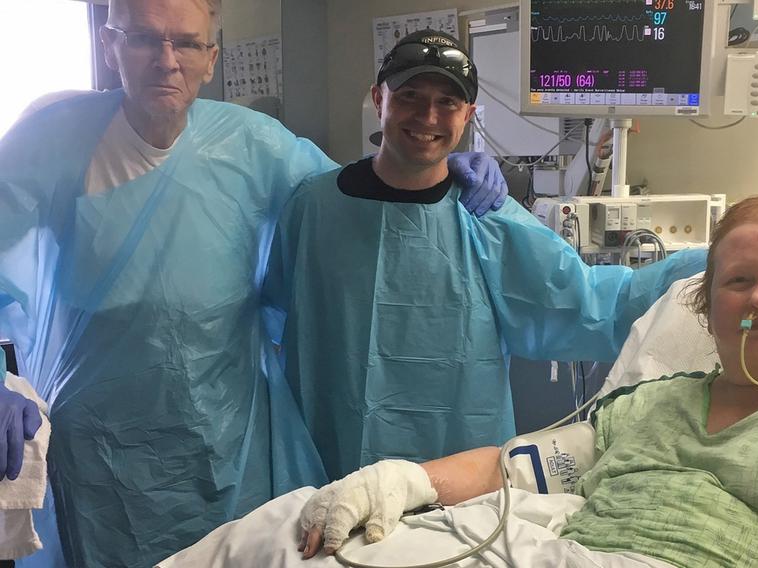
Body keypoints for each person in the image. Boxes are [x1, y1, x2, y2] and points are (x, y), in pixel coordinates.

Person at [0, 1, 507, 566]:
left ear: (210, 57)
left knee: (231, 554)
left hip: (221, 437)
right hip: (100, 443)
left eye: (186, 43)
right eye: (144, 38)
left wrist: (437, 168)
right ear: (110, 45)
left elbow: (345, 196)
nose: (166, 60)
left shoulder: (251, 145)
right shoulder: (50, 142)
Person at [299, 194, 758, 567]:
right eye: (739, 281)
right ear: (707, 305)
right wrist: (401, 479)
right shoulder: (654, 404)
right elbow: (510, 470)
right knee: (280, 535)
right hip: (565, 553)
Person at [263, 29, 708, 484]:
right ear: (379, 99)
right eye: (410, 96)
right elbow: (274, 316)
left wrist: (720, 262)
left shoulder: (488, 218)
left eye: (448, 103)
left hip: (455, 474)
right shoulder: (313, 207)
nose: (428, 116)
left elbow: (591, 304)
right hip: (327, 452)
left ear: (469, 115)